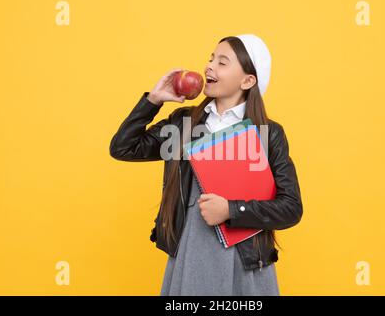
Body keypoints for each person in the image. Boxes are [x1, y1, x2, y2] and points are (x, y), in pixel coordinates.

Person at [110, 34, 303, 296]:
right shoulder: (183, 123)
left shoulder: (269, 134)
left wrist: (231, 210)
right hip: (192, 254)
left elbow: (290, 208)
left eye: (222, 62)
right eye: (211, 59)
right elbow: (123, 147)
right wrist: (153, 100)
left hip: (245, 262)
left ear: (248, 80)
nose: (209, 66)